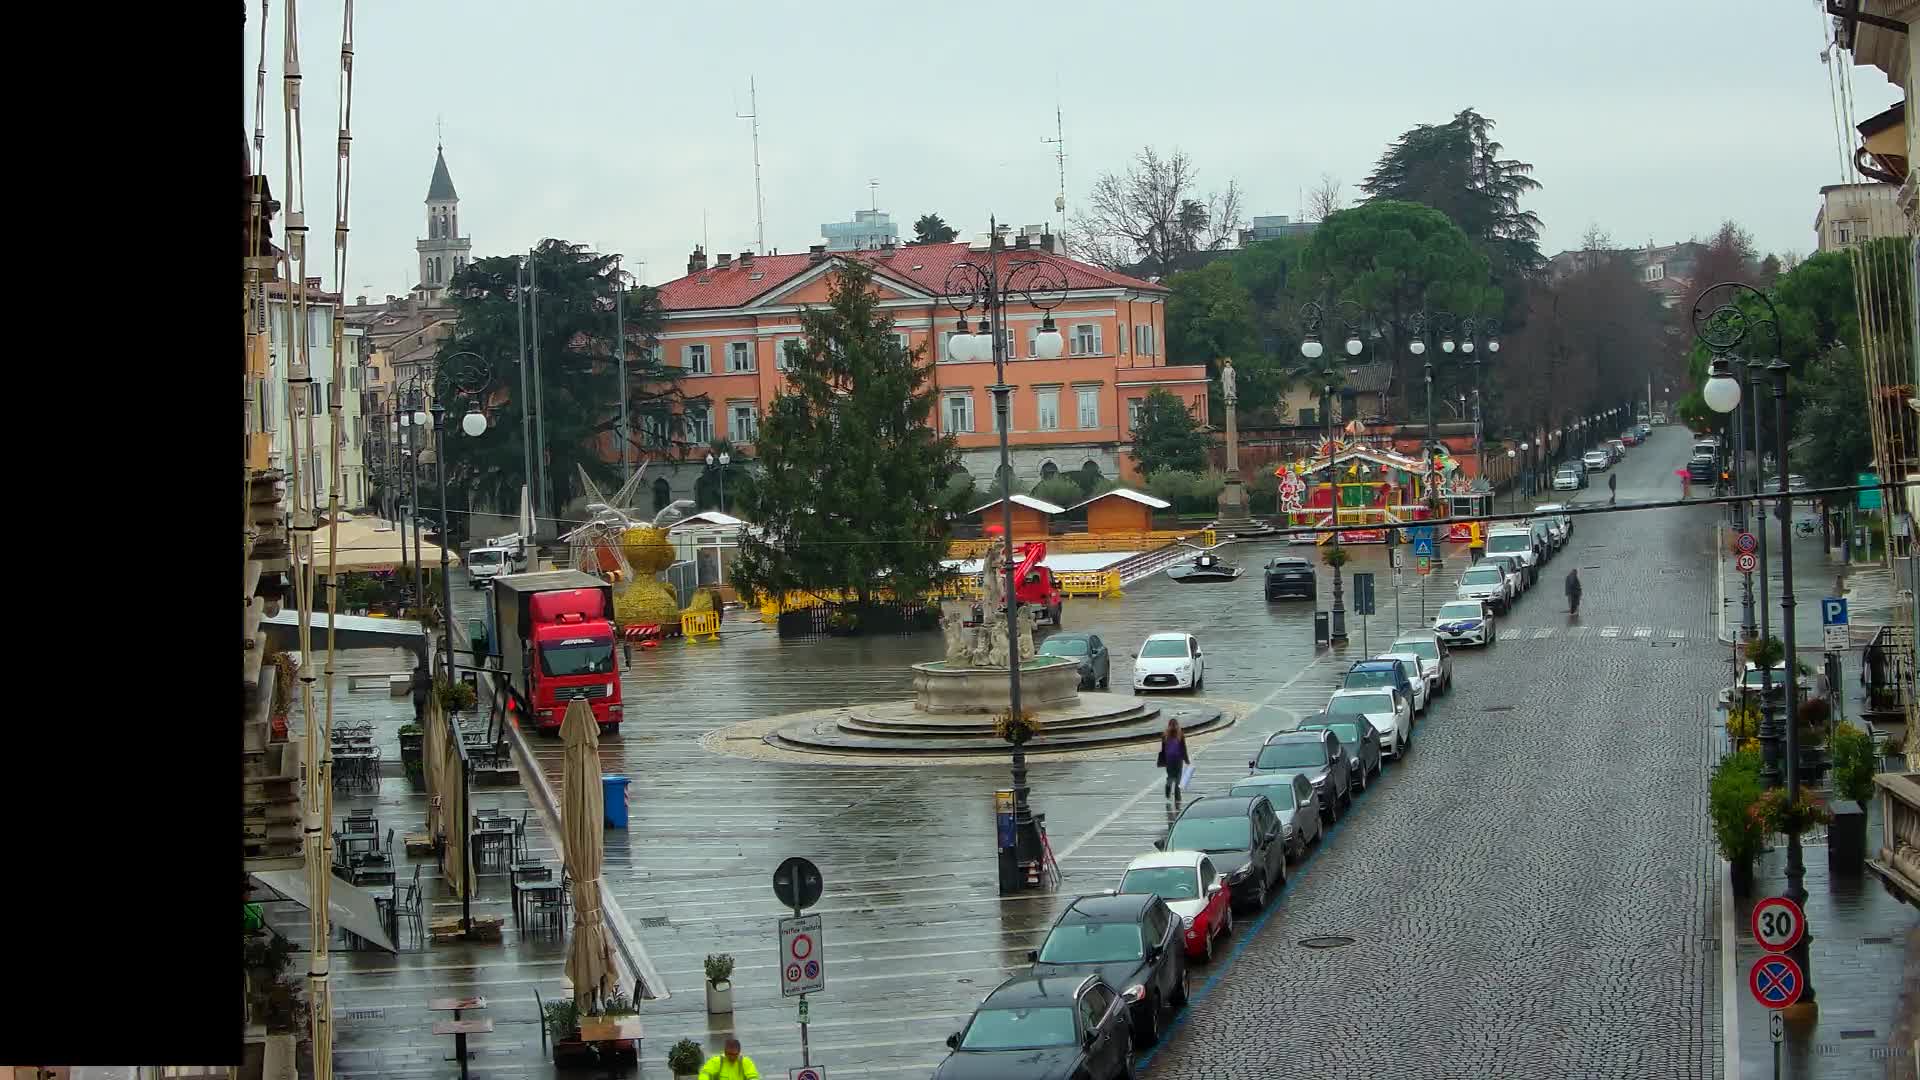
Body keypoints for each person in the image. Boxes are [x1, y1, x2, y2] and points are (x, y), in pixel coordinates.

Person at [1156, 717, 1190, 805]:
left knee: (1170, 776)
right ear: (1177, 725)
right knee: (1178, 778)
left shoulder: (1165, 735)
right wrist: (1186, 760)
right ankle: (1177, 797)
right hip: (1178, 759)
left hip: (1169, 760)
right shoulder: (1180, 735)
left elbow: (1163, 750)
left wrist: (1164, 760)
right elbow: (1183, 748)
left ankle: (1168, 790)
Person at [409, 655, 431, 723]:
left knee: (418, 706)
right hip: (423, 694)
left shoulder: (416, 676)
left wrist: (407, 692)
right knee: (421, 707)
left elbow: (413, 685)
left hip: (418, 695)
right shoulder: (424, 676)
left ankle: (419, 717)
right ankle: (421, 717)